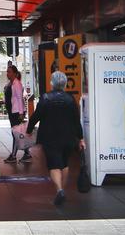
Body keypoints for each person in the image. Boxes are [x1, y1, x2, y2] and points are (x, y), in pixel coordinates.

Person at [26, 71, 86, 206]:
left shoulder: (45, 98)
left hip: (49, 138)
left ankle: (59, 190)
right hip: (68, 137)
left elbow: (36, 116)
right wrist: (81, 138)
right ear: (65, 84)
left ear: (52, 83)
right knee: (64, 164)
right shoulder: (70, 99)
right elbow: (77, 121)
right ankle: (62, 189)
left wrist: (29, 130)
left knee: (54, 165)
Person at [3, 65, 32, 163]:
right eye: (7, 72)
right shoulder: (11, 84)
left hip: (16, 112)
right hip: (13, 112)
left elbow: (20, 99)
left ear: (15, 73)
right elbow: (12, 98)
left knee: (16, 133)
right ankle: (27, 154)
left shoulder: (17, 84)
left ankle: (13, 156)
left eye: (10, 72)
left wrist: (21, 113)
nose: (8, 74)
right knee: (19, 133)